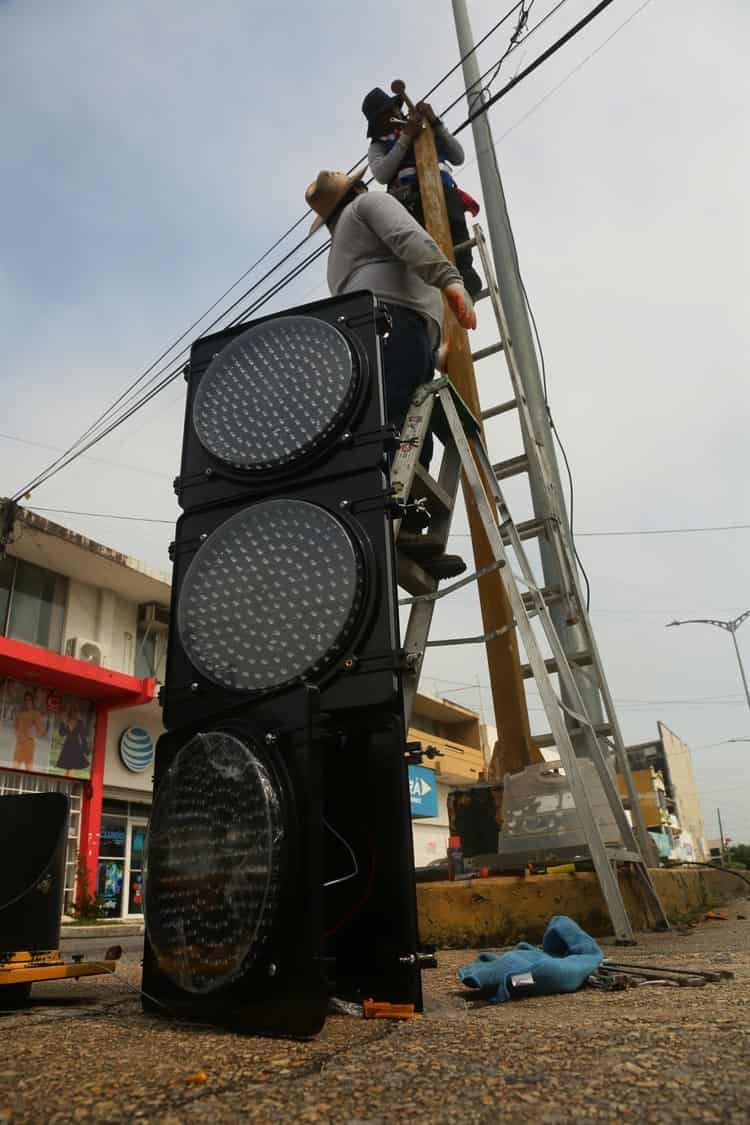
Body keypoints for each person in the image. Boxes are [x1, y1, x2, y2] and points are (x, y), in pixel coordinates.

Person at [305, 166, 477, 579]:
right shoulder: (370, 204)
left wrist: (432, 351)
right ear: (358, 189)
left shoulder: (340, 252)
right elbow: (408, 238)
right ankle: (389, 523)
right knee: (401, 431)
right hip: (393, 326)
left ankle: (407, 531)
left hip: (378, 335)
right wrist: (450, 279)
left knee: (396, 430)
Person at [362, 86, 483, 299]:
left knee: (456, 227)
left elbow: (458, 156)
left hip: (445, 190)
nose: (389, 117)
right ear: (376, 124)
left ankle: (465, 273)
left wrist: (435, 122)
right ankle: (426, 285)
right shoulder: (379, 145)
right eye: (382, 117)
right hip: (408, 200)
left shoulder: (428, 128)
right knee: (419, 243)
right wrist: (407, 136)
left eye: (390, 111)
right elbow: (381, 174)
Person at [13, 690, 47, 770]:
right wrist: (17, 733)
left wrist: (35, 734)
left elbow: (42, 731)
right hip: (19, 744)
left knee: (29, 768)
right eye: (25, 700)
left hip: (29, 745)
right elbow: (15, 726)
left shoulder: (35, 714)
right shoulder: (20, 713)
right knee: (14, 767)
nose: (27, 702)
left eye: (29, 700)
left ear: (32, 701)